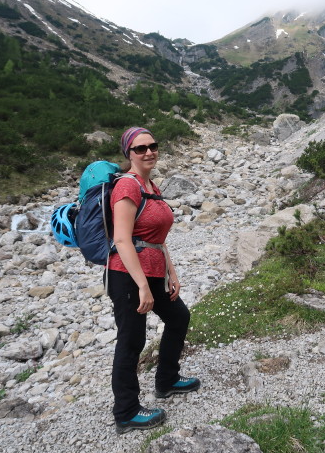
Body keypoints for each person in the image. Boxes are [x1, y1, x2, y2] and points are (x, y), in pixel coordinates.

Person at [107, 126, 200, 434]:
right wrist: (143, 285)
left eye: (152, 145)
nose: (148, 152)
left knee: (179, 316)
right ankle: (126, 412)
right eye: (140, 148)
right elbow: (122, 240)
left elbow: (158, 238)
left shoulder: (151, 185)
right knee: (132, 341)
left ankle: (167, 380)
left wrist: (170, 272)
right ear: (128, 154)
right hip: (127, 275)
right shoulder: (127, 187)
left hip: (153, 270)